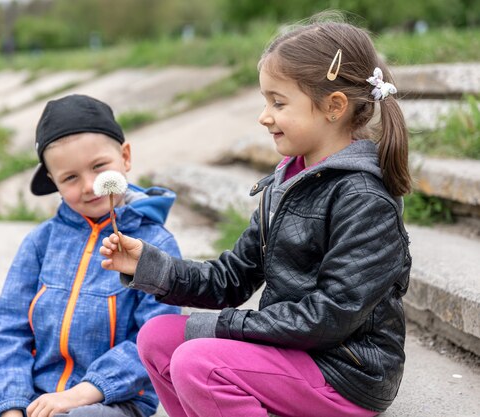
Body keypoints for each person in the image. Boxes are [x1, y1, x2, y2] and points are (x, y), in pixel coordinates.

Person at [100, 16, 413, 417]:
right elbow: (231, 279)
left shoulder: (365, 199)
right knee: (159, 337)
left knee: (198, 363)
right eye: (265, 101)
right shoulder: (287, 183)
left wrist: (225, 327)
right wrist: (149, 266)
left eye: (278, 103)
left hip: (346, 373)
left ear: (333, 106)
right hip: (291, 352)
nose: (264, 116)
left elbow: (329, 316)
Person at [0, 94, 181, 417]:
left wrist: (80, 395)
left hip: (112, 400)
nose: (90, 186)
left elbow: (152, 341)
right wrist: (11, 406)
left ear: (125, 156)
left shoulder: (155, 244)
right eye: (70, 178)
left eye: (99, 167)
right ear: (54, 182)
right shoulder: (40, 243)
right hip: (36, 396)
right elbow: (8, 329)